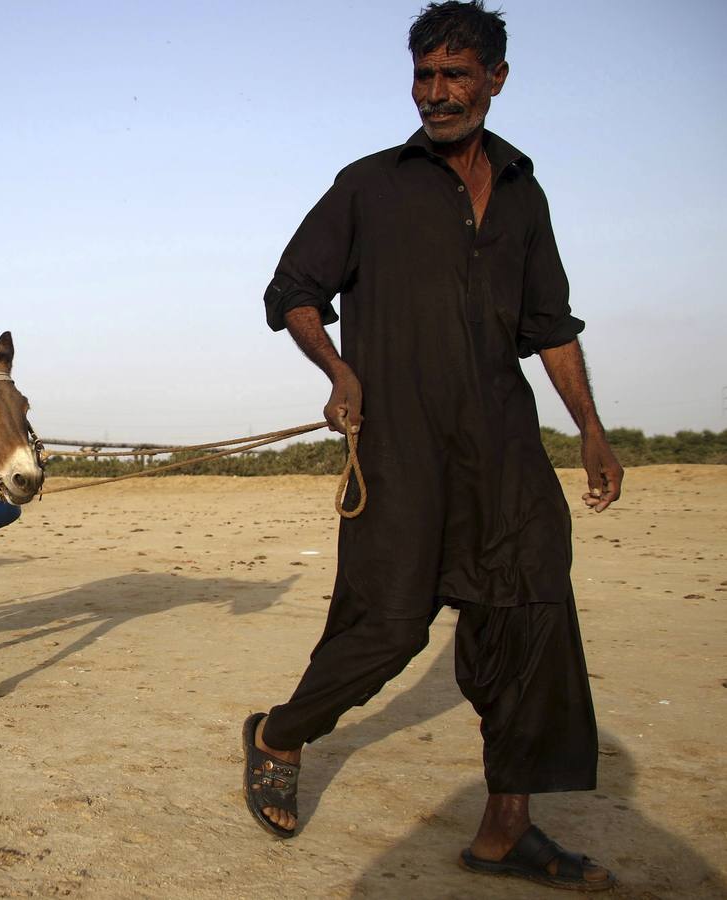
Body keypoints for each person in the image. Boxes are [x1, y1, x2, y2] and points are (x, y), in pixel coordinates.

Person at [242, 2, 623, 891]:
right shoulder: (370, 185)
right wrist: (338, 370)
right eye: (425, 75)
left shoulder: (525, 193)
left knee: (533, 615)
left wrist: (592, 429)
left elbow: (549, 326)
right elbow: (293, 288)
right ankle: (279, 734)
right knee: (387, 624)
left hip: (502, 448)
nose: (438, 93)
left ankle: (505, 830)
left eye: (457, 74)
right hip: (400, 445)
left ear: (496, 77)